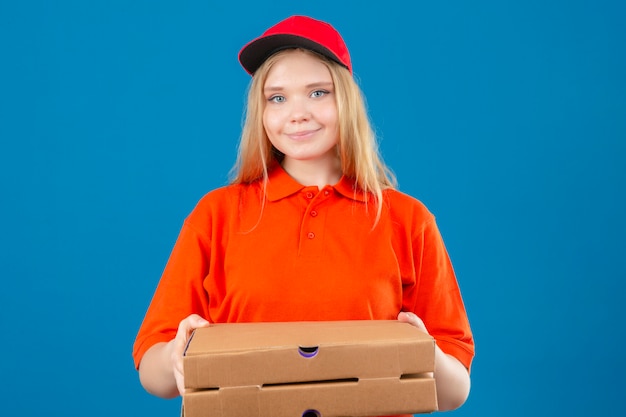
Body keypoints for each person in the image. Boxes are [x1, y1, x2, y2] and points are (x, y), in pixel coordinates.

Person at [133, 15, 474, 414]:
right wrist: (179, 352)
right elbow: (152, 374)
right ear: (260, 112)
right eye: (277, 97)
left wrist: (423, 351)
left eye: (317, 92)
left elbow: (455, 392)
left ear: (347, 99)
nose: (297, 112)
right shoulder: (217, 215)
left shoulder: (408, 219)